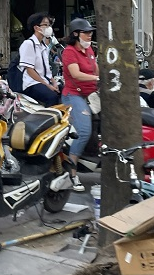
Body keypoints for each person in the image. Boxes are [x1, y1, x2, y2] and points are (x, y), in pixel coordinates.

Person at [61, 18, 99, 191]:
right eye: (86, 32)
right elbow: (76, 74)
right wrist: (98, 79)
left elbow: (96, 68)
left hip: (92, 93)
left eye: (90, 32)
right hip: (74, 95)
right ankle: (71, 172)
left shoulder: (89, 49)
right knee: (83, 132)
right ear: (75, 34)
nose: (89, 35)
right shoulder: (69, 52)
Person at [18, 12, 59, 107]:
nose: (48, 28)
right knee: (52, 97)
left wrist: (53, 82)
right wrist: (47, 85)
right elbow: (30, 70)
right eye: (45, 25)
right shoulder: (29, 44)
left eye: (49, 25)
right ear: (36, 27)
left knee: (63, 91)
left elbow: (46, 69)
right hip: (31, 83)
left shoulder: (43, 45)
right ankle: (48, 120)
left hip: (44, 81)